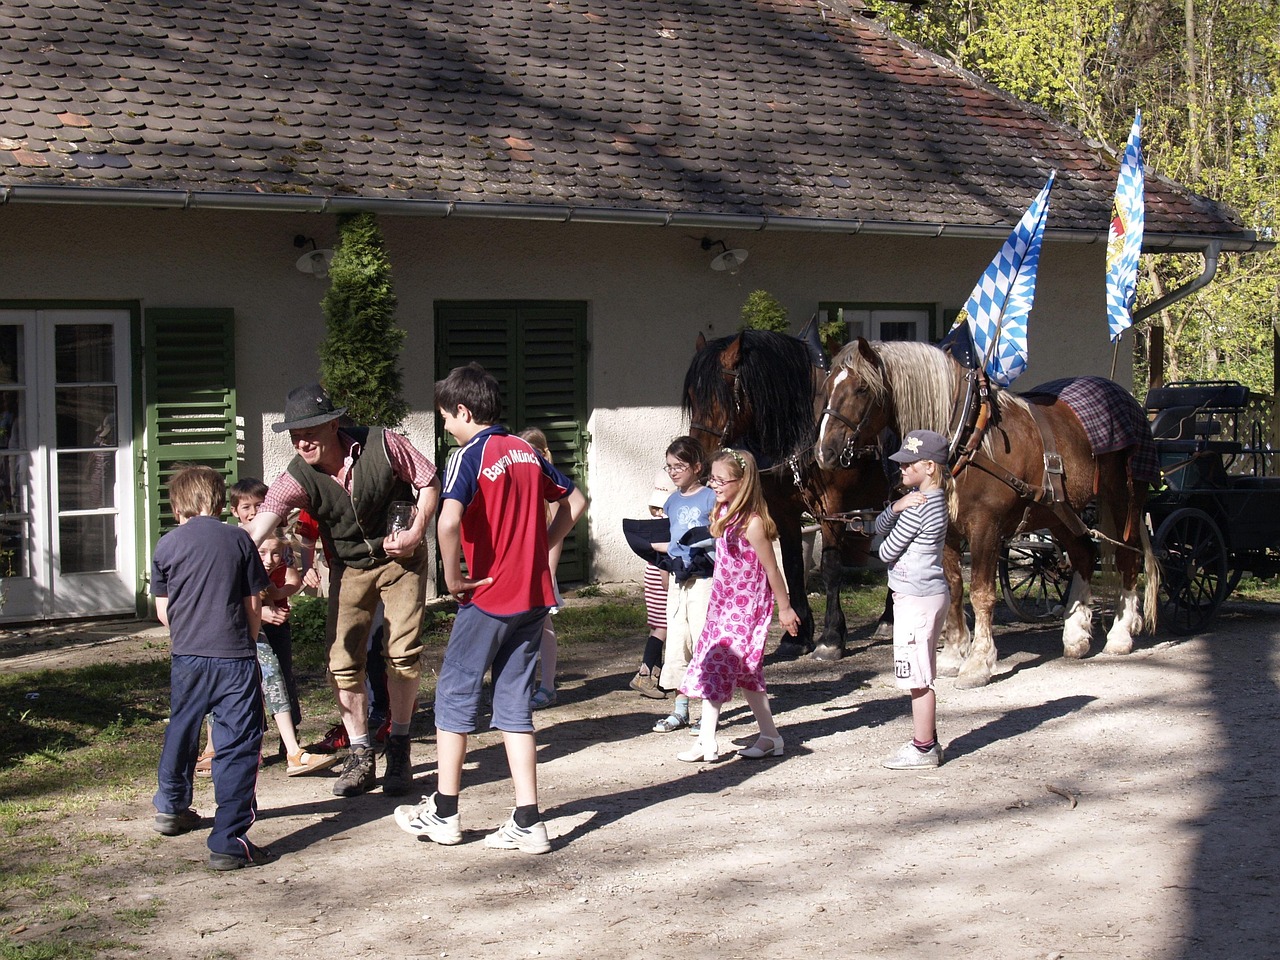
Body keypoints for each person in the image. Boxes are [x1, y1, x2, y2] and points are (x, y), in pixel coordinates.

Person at [394, 362, 586, 855]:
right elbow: (577, 501)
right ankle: (528, 820)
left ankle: (444, 812)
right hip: (533, 597)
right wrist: (541, 547)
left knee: (454, 696)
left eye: (445, 417)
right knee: (514, 704)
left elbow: (447, 520)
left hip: (488, 596)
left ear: (463, 411)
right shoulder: (526, 450)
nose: (445, 426)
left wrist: (452, 575)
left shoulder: (469, 455)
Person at [246, 383, 440, 798]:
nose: (302, 443)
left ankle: (399, 747)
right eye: (295, 436)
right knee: (341, 661)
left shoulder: (384, 444)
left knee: (402, 652)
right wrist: (230, 550)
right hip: (350, 567)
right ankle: (361, 753)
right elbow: (267, 516)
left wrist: (417, 531)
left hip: (402, 559)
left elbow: (428, 481)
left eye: (310, 433)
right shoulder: (298, 475)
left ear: (334, 425)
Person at [150, 465, 272, 870]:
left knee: (182, 728)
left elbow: (164, 611)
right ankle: (228, 840)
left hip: (187, 656)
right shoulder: (238, 539)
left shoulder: (166, 545)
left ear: (178, 505)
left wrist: (190, 634)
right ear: (218, 501)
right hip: (234, 657)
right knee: (238, 743)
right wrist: (248, 641)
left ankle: (171, 806)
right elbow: (253, 602)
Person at [678, 449, 799, 763]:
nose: (714, 485)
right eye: (712, 478)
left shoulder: (753, 524)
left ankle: (706, 740)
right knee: (747, 672)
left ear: (742, 483)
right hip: (722, 603)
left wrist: (785, 608)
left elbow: (772, 569)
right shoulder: (723, 512)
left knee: (716, 663)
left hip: (746, 608)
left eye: (721, 480)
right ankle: (771, 737)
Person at [873, 429, 953, 770]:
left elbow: (884, 549)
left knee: (917, 679)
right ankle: (927, 740)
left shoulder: (918, 508)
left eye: (909, 464)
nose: (902, 469)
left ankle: (923, 748)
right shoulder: (931, 500)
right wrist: (896, 506)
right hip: (929, 594)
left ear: (930, 467)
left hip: (916, 598)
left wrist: (898, 511)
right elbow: (882, 526)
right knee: (922, 671)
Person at [255, 530, 339, 777]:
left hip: (273, 625)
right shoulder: (241, 554)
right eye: (263, 553)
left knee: (280, 677)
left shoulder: (281, 552)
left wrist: (275, 595)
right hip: (243, 630)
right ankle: (249, 744)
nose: (270, 559)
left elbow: (290, 580)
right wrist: (260, 613)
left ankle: (291, 744)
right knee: (252, 684)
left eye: (275, 554)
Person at [651, 437, 716, 733]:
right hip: (679, 579)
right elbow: (670, 539)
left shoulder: (709, 498)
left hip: (703, 578)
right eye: (669, 467)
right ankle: (680, 709)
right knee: (677, 641)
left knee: (702, 639)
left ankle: (708, 710)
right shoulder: (672, 501)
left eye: (679, 466)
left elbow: (719, 536)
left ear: (697, 467)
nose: (673, 472)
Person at [517, 426, 564, 711]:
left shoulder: (553, 488)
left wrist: (549, 573)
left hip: (542, 569)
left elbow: (556, 538)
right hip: (523, 566)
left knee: (543, 627)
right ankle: (524, 685)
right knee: (522, 628)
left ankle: (547, 686)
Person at [630, 468, 673, 698]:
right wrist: (668, 582)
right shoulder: (667, 523)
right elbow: (664, 557)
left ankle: (656, 673)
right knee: (663, 627)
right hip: (662, 576)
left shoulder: (654, 520)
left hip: (651, 575)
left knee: (657, 625)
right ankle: (644, 675)